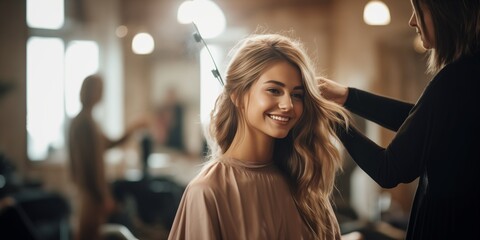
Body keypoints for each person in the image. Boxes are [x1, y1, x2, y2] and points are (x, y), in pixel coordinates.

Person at [318, 0, 480, 239]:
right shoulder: (469, 75)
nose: (412, 20)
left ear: (445, 13)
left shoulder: (453, 80)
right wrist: (348, 97)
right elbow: (423, 122)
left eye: (419, 10)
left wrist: (333, 118)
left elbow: (389, 169)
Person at [168, 33, 351, 240]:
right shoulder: (207, 191)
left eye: (297, 95)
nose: (288, 105)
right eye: (274, 90)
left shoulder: (305, 184)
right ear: (237, 95)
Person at [68, 74, 147, 240]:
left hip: (90, 191)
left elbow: (110, 143)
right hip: (89, 192)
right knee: (87, 234)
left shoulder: (89, 121)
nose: (102, 94)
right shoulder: (84, 123)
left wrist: (132, 128)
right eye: (99, 90)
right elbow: (89, 165)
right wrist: (102, 195)